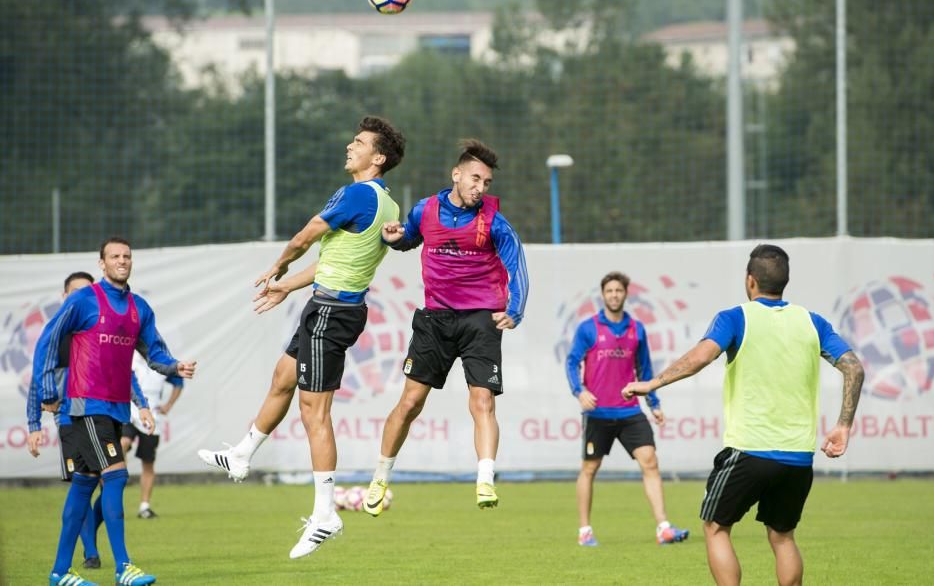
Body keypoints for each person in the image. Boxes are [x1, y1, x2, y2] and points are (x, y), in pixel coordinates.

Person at [197, 116, 406, 559]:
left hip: (332, 313)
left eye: (360, 142)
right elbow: (334, 263)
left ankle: (325, 514)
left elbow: (306, 237)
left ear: (379, 158)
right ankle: (242, 453)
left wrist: (279, 264)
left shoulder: (356, 195)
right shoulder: (387, 204)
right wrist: (285, 286)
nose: (350, 146)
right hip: (330, 307)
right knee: (283, 378)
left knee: (315, 411)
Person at [622, 244, 865, 586]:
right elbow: (854, 368)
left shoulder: (735, 317)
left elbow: (701, 357)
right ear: (785, 282)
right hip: (797, 456)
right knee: (782, 536)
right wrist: (843, 426)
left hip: (749, 450)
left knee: (716, 528)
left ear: (750, 281)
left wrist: (654, 383)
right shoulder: (813, 322)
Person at [363, 139, 528, 515]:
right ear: (456, 175)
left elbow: (518, 267)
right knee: (409, 403)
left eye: (486, 183)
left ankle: (485, 479)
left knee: (482, 401)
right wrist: (396, 238)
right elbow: (408, 238)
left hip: (480, 320)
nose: (480, 188)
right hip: (435, 320)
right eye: (475, 179)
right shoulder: (426, 210)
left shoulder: (494, 221)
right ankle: (380, 476)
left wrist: (514, 310)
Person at [31, 238, 196, 586]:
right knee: (117, 475)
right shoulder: (84, 299)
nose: (122, 261)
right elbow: (48, 339)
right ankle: (124, 567)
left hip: (116, 409)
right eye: (115, 257)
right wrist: (46, 389)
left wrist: (174, 366)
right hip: (86, 406)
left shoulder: (139, 308)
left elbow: (155, 353)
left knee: (83, 485)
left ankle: (60, 573)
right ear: (101, 263)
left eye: (127, 256)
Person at [565, 271, 689, 547]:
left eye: (618, 291)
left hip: (630, 411)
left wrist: (654, 404)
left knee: (651, 462)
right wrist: (579, 391)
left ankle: (664, 528)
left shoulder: (637, 329)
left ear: (625, 294)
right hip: (598, 413)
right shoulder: (589, 328)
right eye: (609, 291)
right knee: (589, 469)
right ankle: (585, 530)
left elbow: (645, 371)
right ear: (603, 295)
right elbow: (572, 362)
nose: (614, 295)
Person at [27, 272, 103, 570]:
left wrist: (139, 405)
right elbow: (38, 380)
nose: (82, 298)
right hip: (70, 420)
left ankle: (89, 539)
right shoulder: (55, 335)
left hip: (103, 418)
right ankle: (90, 552)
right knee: (82, 483)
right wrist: (34, 425)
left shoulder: (99, 332)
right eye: (75, 293)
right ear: (64, 297)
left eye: (88, 292)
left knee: (111, 485)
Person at [120, 347, 185, 519]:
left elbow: (179, 383)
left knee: (148, 464)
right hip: (131, 412)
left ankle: (144, 506)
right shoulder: (129, 357)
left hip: (152, 419)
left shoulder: (160, 361)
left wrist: (169, 405)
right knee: (123, 443)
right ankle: (120, 476)